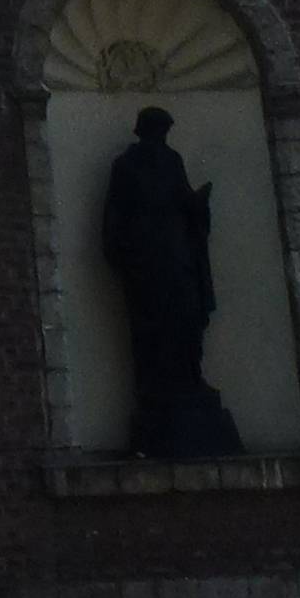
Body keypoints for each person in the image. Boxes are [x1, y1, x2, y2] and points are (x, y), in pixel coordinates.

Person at [99, 102, 243, 458]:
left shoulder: (172, 160)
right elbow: (116, 215)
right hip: (148, 260)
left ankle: (190, 380)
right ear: (146, 131)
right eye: (158, 129)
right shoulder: (127, 166)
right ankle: (160, 388)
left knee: (188, 317)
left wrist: (198, 203)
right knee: (155, 326)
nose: (162, 136)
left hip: (177, 255)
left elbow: (184, 202)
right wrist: (124, 252)